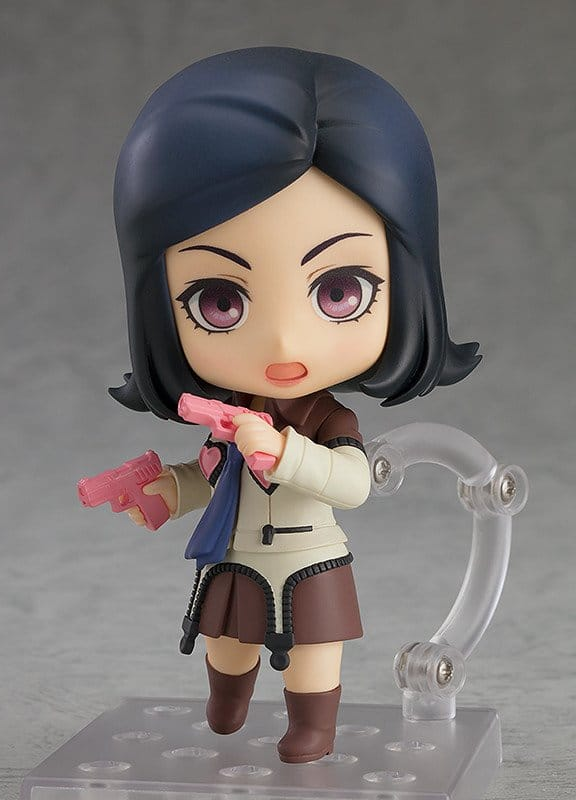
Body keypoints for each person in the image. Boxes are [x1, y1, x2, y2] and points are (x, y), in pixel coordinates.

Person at [108, 47, 481, 763]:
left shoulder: (328, 421)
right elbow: (214, 477)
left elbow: (353, 483)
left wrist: (283, 452)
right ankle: (227, 701)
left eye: (339, 291)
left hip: (309, 557)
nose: (283, 341)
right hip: (232, 555)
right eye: (220, 301)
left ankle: (312, 725)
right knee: (225, 642)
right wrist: (168, 491)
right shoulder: (230, 414)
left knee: (314, 650)